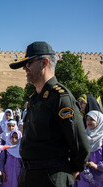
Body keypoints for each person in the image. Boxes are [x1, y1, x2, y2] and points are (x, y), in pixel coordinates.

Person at [9, 41, 90, 186]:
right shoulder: (35, 99)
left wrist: (67, 173)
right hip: (29, 175)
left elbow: (80, 146)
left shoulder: (60, 98)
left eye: (29, 63)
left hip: (51, 178)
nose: (24, 68)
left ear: (44, 62)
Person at [75, 110, 103, 187]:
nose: (89, 121)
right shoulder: (83, 137)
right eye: (87, 119)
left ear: (99, 121)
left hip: (99, 178)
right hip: (84, 177)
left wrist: (97, 166)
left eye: (92, 119)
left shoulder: (101, 140)